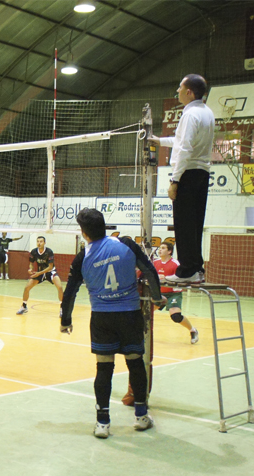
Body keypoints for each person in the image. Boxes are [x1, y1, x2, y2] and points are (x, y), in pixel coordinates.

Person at [59, 208, 163, 439]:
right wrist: (157, 298)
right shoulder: (125, 244)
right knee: (135, 364)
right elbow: (149, 270)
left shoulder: (82, 257)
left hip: (102, 318)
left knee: (104, 368)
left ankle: (103, 423)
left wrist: (65, 320)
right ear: (104, 226)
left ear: (84, 233)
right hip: (129, 315)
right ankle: (141, 416)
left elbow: (70, 291)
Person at [151, 74, 214, 285]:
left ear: (189, 92)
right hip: (202, 173)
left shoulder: (190, 115)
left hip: (188, 173)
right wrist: (159, 141)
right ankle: (196, 269)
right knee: (195, 223)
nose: (177, 91)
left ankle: (187, 271)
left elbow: (185, 149)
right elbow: (181, 141)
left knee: (184, 224)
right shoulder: (207, 112)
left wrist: (174, 180)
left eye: (180, 88)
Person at [121, 242, 199, 406]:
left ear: (169, 251)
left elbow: (182, 280)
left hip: (172, 294)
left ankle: (192, 330)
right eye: (160, 248)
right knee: (145, 314)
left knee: (176, 316)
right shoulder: (154, 263)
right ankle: (141, 335)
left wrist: (168, 283)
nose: (160, 250)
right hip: (157, 294)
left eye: (164, 248)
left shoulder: (176, 264)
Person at [17, 236, 64, 315]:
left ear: (44, 243)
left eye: (41, 241)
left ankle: (63, 308)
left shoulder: (49, 252)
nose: (39, 243)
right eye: (38, 241)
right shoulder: (34, 252)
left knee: (60, 287)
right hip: (40, 272)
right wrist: (30, 269)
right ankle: (24, 306)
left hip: (50, 272)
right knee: (27, 288)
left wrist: (39, 273)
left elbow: (50, 267)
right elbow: (31, 263)